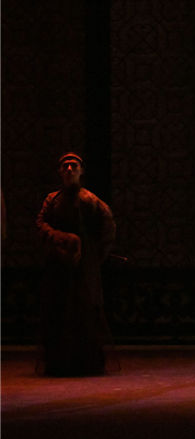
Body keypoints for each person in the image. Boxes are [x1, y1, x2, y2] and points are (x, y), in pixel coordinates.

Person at [35, 152, 116, 376]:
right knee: (59, 311)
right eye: (65, 166)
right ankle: (59, 362)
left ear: (81, 171)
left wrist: (93, 257)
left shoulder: (90, 201)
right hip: (59, 265)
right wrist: (62, 239)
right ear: (60, 171)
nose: (69, 169)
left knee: (84, 311)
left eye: (74, 165)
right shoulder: (52, 200)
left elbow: (108, 229)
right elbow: (41, 224)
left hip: (83, 267)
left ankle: (85, 362)